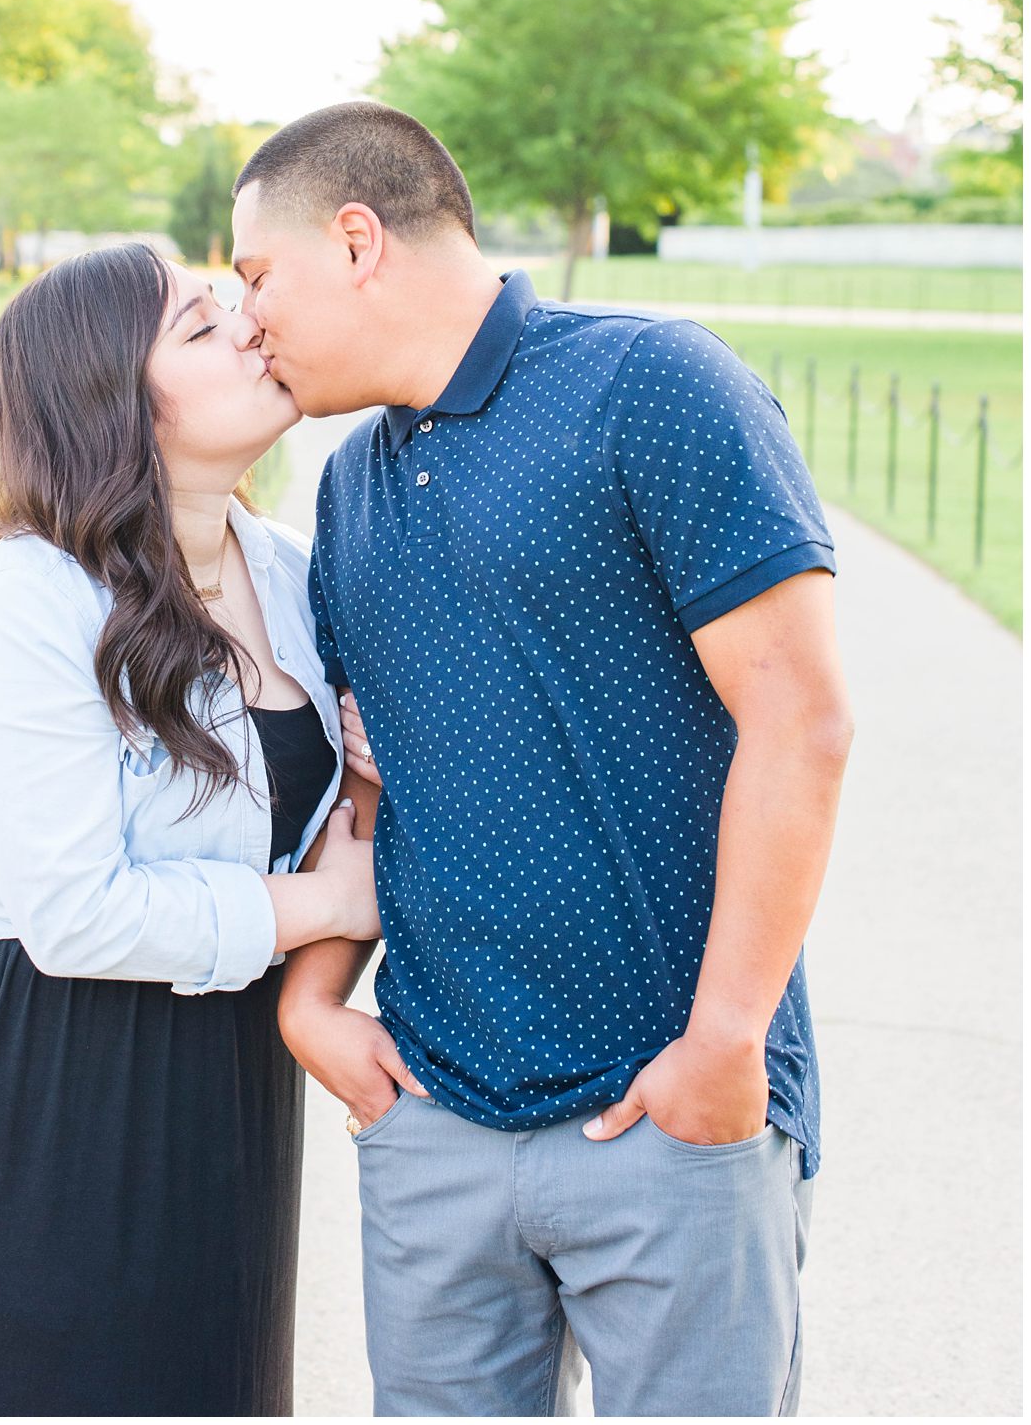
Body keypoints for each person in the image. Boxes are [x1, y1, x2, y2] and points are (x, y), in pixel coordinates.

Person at [229, 101, 854, 1419]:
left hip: (669, 1110)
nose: (249, 322)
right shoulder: (346, 487)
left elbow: (802, 723)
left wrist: (726, 1044)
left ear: (357, 239)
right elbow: (369, 778)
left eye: (255, 276)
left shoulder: (652, 387)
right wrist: (313, 1001)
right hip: (438, 1116)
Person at [0, 242, 388, 1419]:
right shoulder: (28, 601)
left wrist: (366, 791)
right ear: (111, 401)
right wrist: (331, 905)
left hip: (224, 1081)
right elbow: (76, 911)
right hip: (30, 1082)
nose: (251, 326)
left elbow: (340, 809)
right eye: (201, 328)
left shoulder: (298, 572)